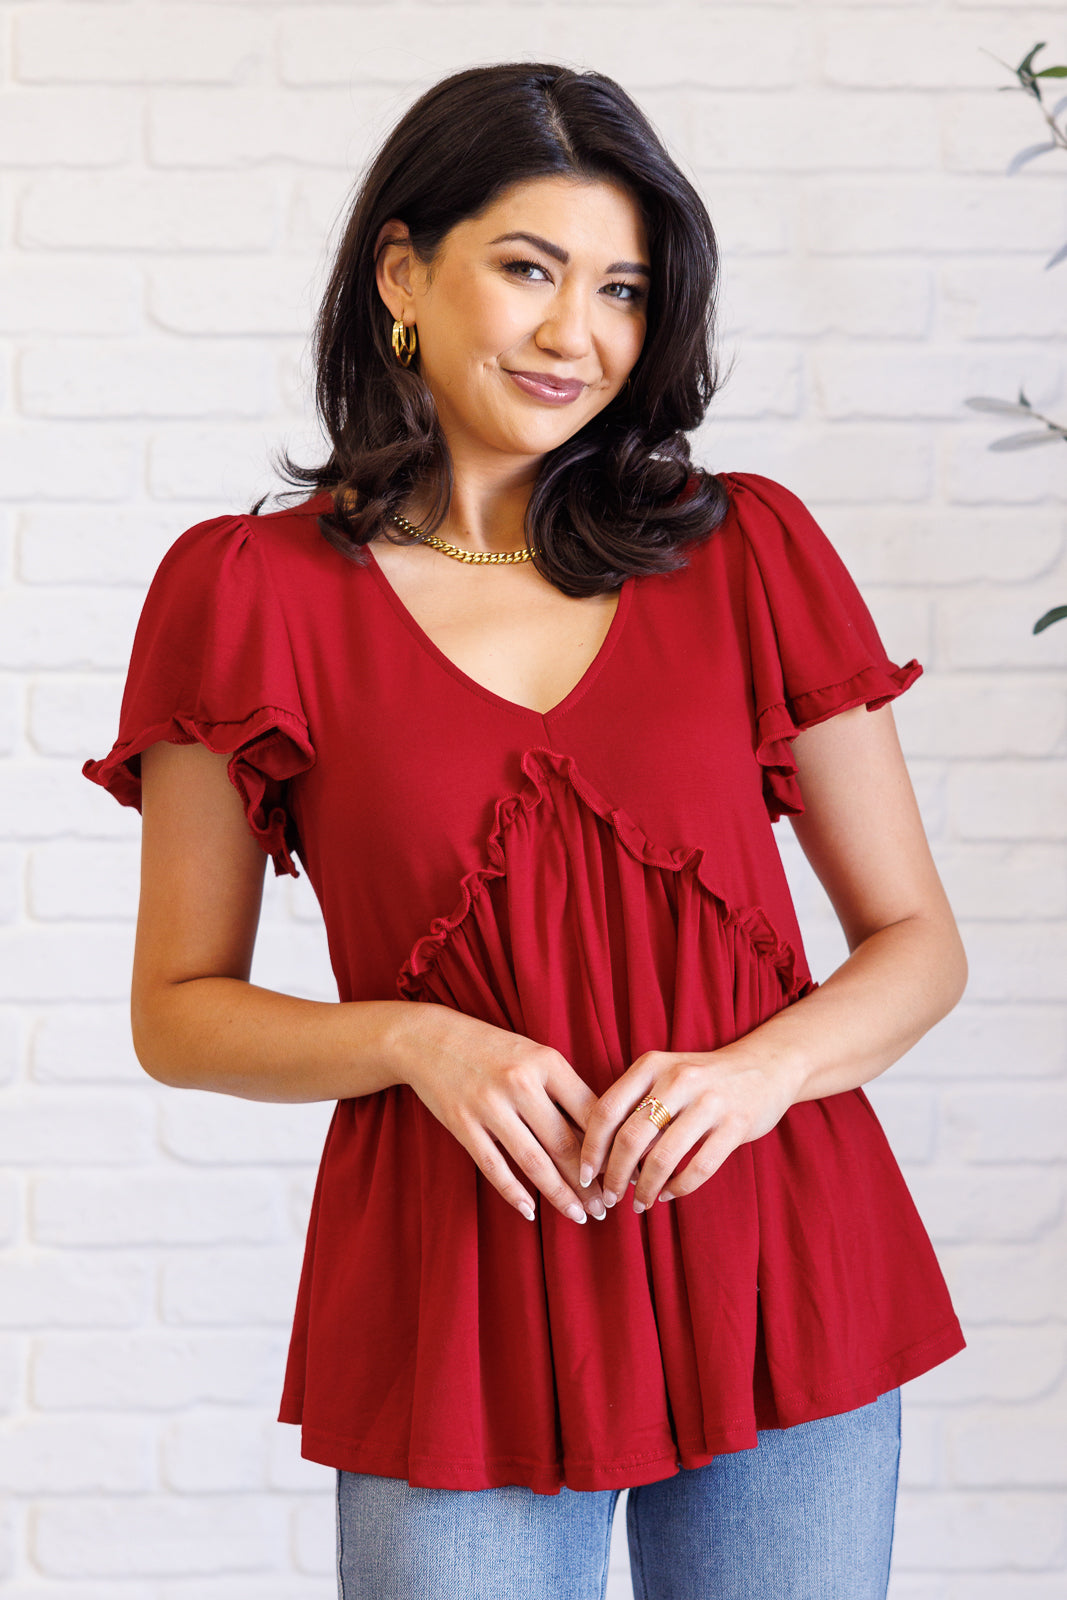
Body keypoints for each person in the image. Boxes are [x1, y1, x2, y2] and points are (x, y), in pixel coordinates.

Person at [84, 61, 967, 1600]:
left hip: (777, 1257)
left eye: (623, 289)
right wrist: (417, 1042)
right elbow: (178, 1012)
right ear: (401, 275)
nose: (578, 334)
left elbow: (918, 946)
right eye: (529, 269)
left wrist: (759, 1075)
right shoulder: (248, 593)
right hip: (457, 1303)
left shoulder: (748, 549)